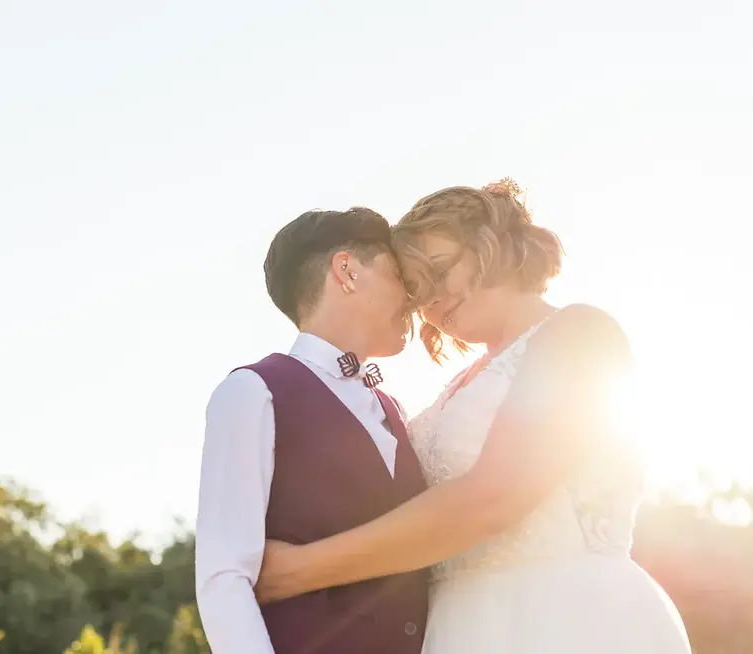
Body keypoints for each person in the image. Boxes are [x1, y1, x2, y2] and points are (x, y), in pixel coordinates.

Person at [254, 180, 692, 653]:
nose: (432, 302)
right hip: (457, 631)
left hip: (568, 620)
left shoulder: (579, 333)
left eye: (440, 271)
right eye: (418, 293)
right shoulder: (454, 388)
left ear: (491, 242)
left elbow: (496, 496)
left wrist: (300, 570)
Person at [195, 207, 431, 654]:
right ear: (346, 270)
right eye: (399, 274)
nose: (414, 295)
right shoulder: (253, 391)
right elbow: (225, 576)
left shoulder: (393, 408)